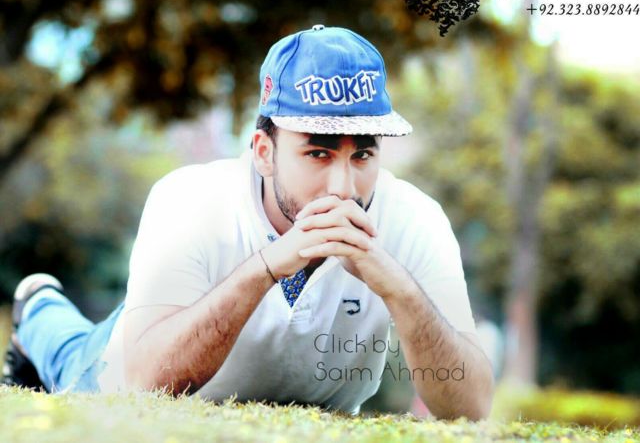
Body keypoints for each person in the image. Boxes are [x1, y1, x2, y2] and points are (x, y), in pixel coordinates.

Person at [2, 25, 494, 419]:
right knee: (70, 360)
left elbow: (471, 406)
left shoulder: (416, 219)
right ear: (264, 152)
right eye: (318, 153)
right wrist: (267, 266)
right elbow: (144, 381)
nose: (344, 188)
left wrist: (401, 291)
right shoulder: (189, 198)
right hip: (150, 337)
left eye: (362, 154)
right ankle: (39, 308)